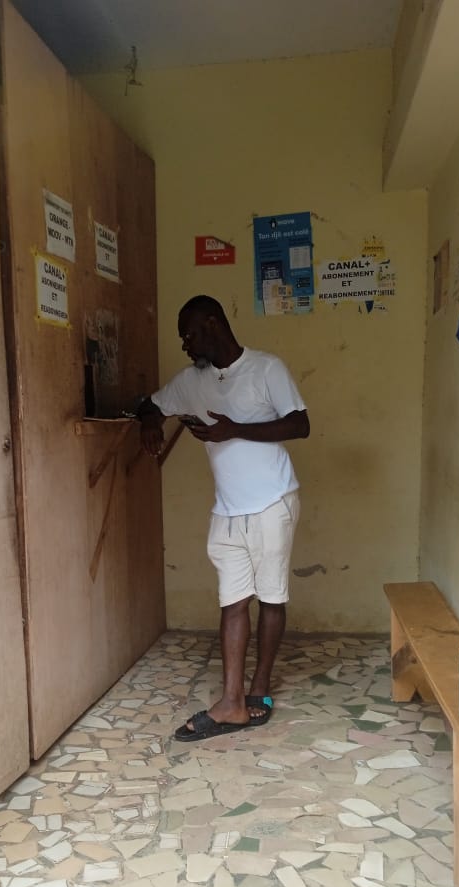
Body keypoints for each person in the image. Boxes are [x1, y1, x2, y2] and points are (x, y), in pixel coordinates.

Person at [137, 295, 309, 742]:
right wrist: (150, 423)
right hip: (227, 509)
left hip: (272, 501)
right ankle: (232, 702)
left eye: (189, 335)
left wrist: (234, 429)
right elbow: (150, 404)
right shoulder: (191, 381)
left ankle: (259, 689)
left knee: (270, 598)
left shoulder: (266, 368)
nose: (185, 345)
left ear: (213, 324)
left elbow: (299, 424)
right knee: (233, 601)